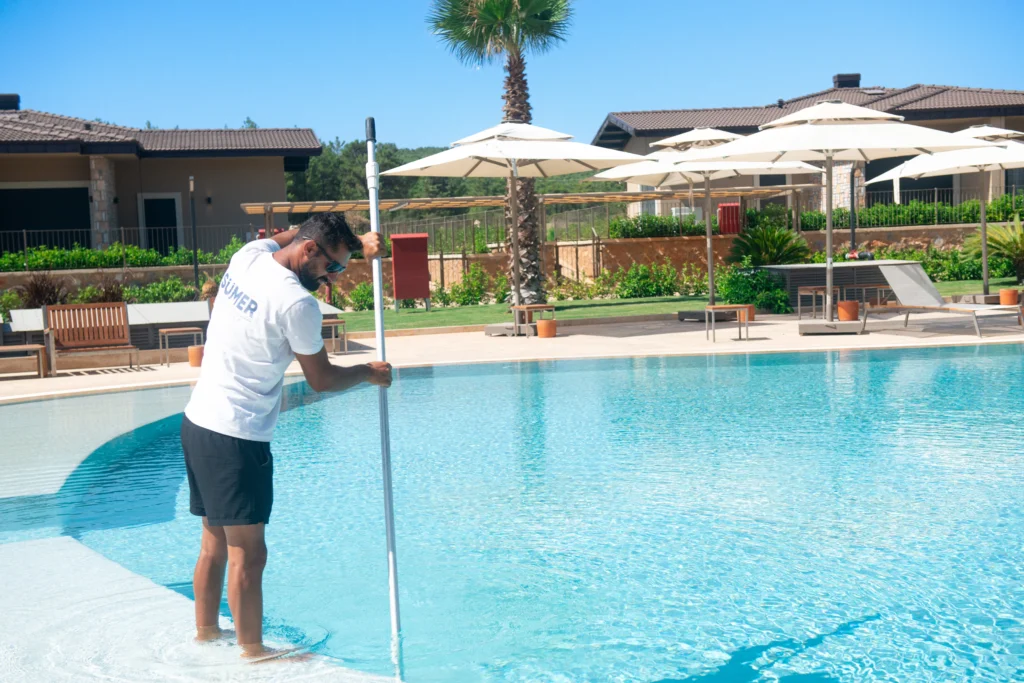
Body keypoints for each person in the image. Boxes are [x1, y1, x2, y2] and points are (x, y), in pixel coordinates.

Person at [180, 213, 392, 657]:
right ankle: (253, 654)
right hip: (237, 436)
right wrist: (368, 372)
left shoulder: (248, 256)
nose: (334, 277)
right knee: (249, 554)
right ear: (310, 250)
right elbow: (322, 379)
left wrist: (355, 243)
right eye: (333, 266)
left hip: (198, 422)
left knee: (214, 543)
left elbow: (296, 232)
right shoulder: (297, 303)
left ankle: (206, 634)